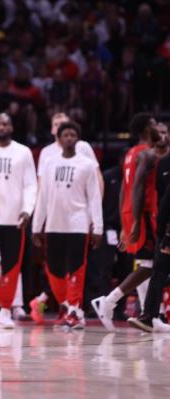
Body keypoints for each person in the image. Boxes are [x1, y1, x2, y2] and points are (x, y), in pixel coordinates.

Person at [91, 113, 168, 331]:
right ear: (146, 129)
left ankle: (153, 314)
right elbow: (137, 188)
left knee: (151, 265)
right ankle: (109, 301)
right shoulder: (146, 153)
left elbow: (124, 189)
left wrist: (124, 220)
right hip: (142, 213)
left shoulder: (129, 153)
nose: (158, 129)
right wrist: (135, 221)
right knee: (153, 265)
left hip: (130, 212)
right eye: (154, 125)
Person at [30, 112, 103, 323]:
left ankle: (74, 309)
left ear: (77, 139)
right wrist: (37, 226)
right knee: (53, 271)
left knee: (77, 269)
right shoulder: (49, 163)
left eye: (73, 134)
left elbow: (94, 198)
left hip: (78, 224)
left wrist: (97, 227)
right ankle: (65, 303)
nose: (69, 138)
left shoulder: (87, 164)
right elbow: (42, 197)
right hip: (53, 224)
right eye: (66, 135)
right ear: (59, 139)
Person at [0, 113, 37, 329]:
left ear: (12, 127)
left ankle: (5, 310)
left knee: (11, 266)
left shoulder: (23, 152)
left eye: (6, 123)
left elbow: (30, 184)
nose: (2, 126)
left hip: (14, 218)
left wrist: (27, 210)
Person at [128, 122, 170, 332]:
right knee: (158, 269)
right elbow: (164, 199)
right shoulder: (157, 161)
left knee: (159, 270)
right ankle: (150, 315)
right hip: (162, 225)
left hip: (163, 224)